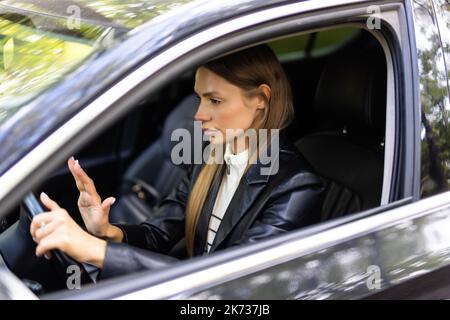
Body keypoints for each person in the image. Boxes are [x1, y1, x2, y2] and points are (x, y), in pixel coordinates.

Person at [30, 44, 325, 279]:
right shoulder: (208, 161)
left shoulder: (296, 187)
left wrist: (97, 251)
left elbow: (227, 282)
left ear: (260, 99)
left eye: (215, 101)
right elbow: (158, 233)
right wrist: (106, 231)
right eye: (199, 98)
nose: (199, 114)